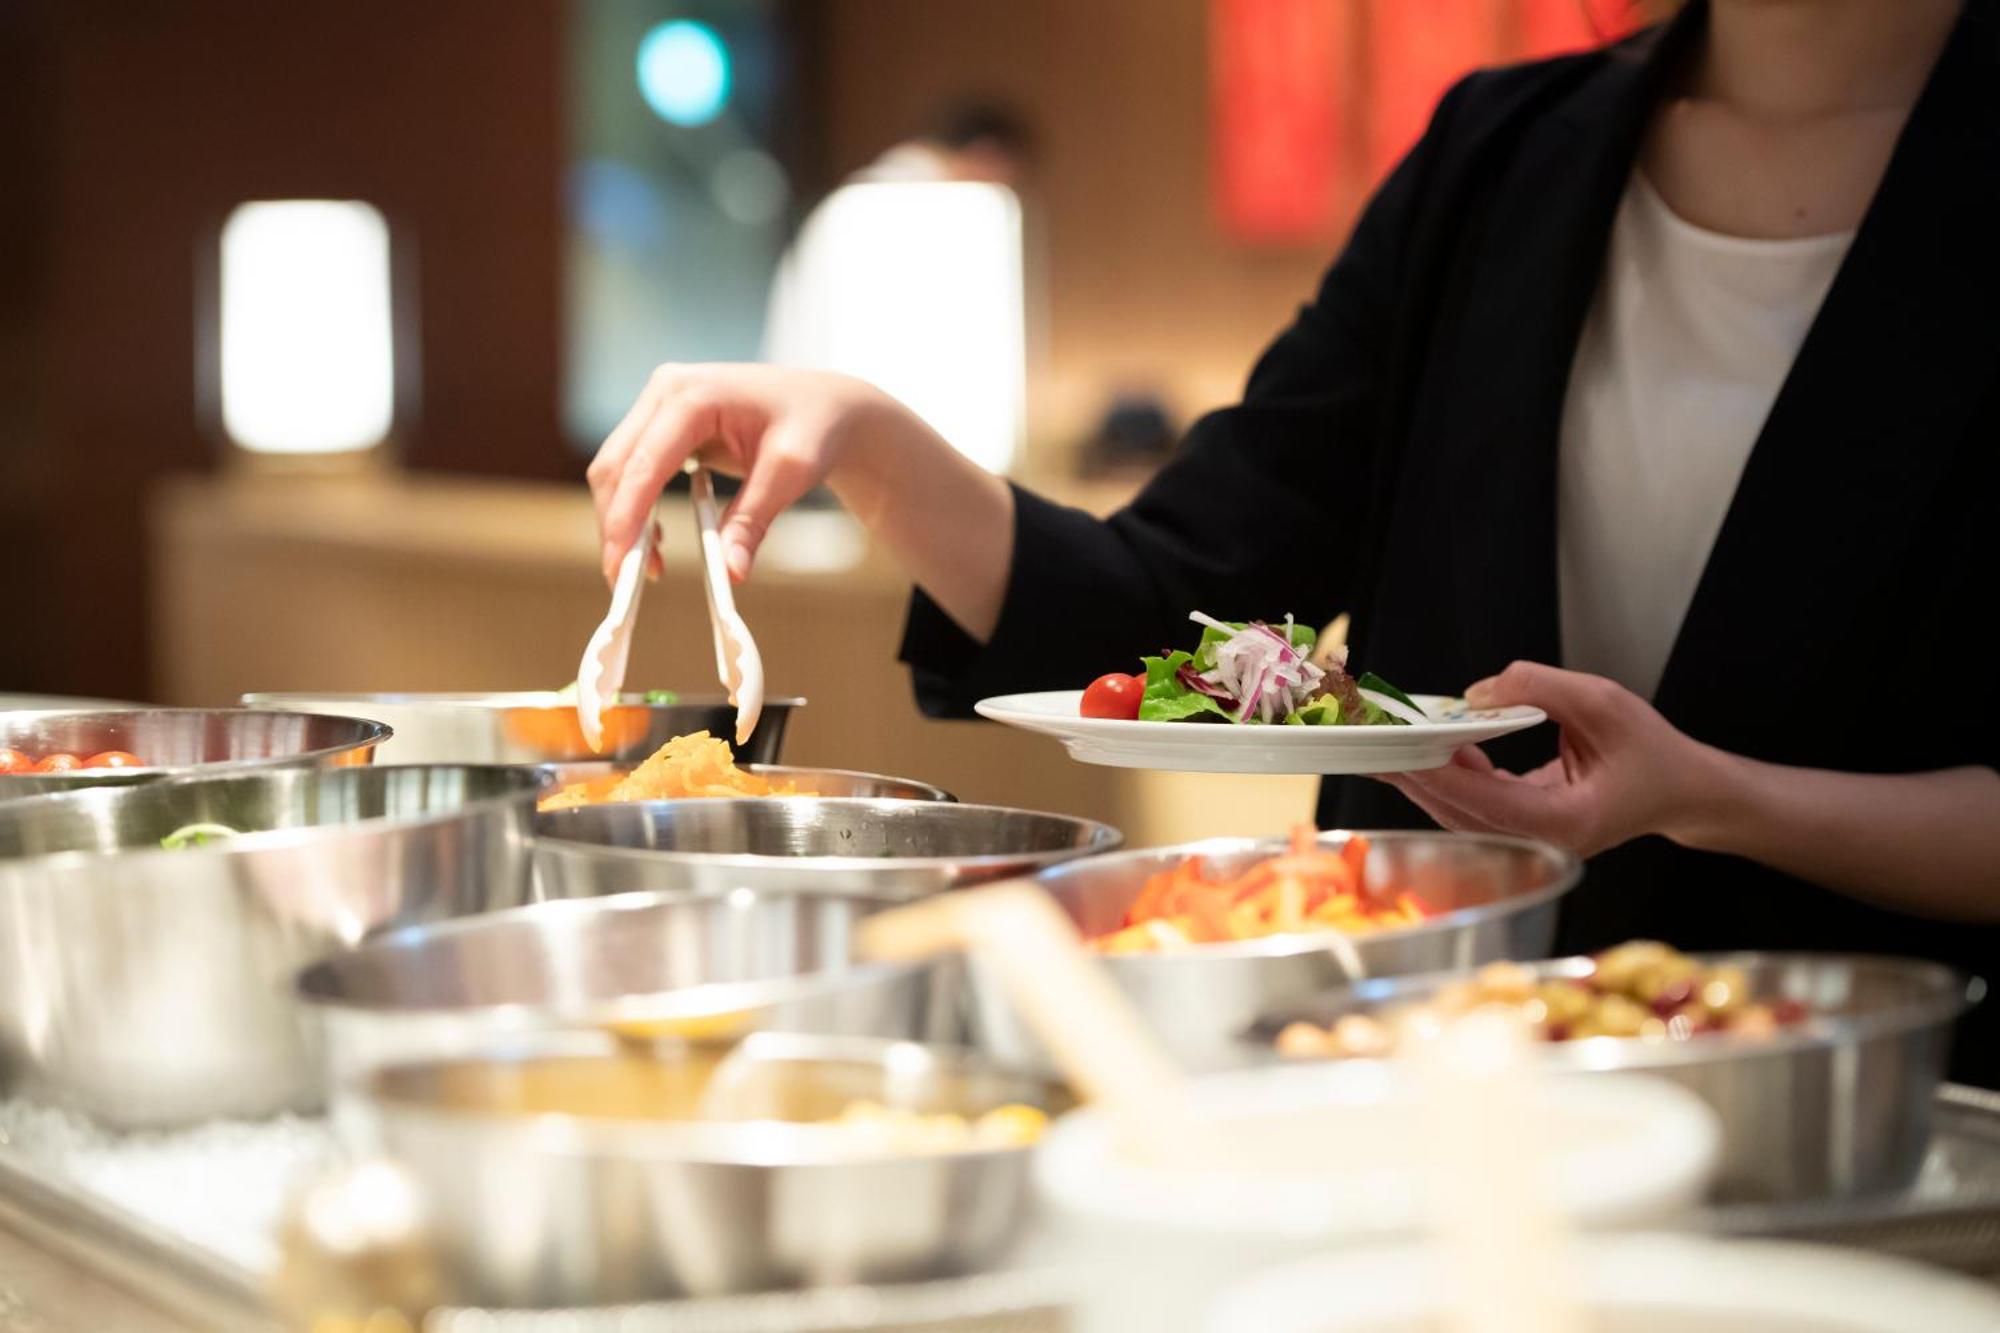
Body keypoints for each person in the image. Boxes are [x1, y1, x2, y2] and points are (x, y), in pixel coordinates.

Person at [588, 0, 2000, 1083]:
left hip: (1878, 1109)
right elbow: (1169, 613)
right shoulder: (1497, 160)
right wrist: (876, 443)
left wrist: (1713, 792)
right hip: (1411, 1091)